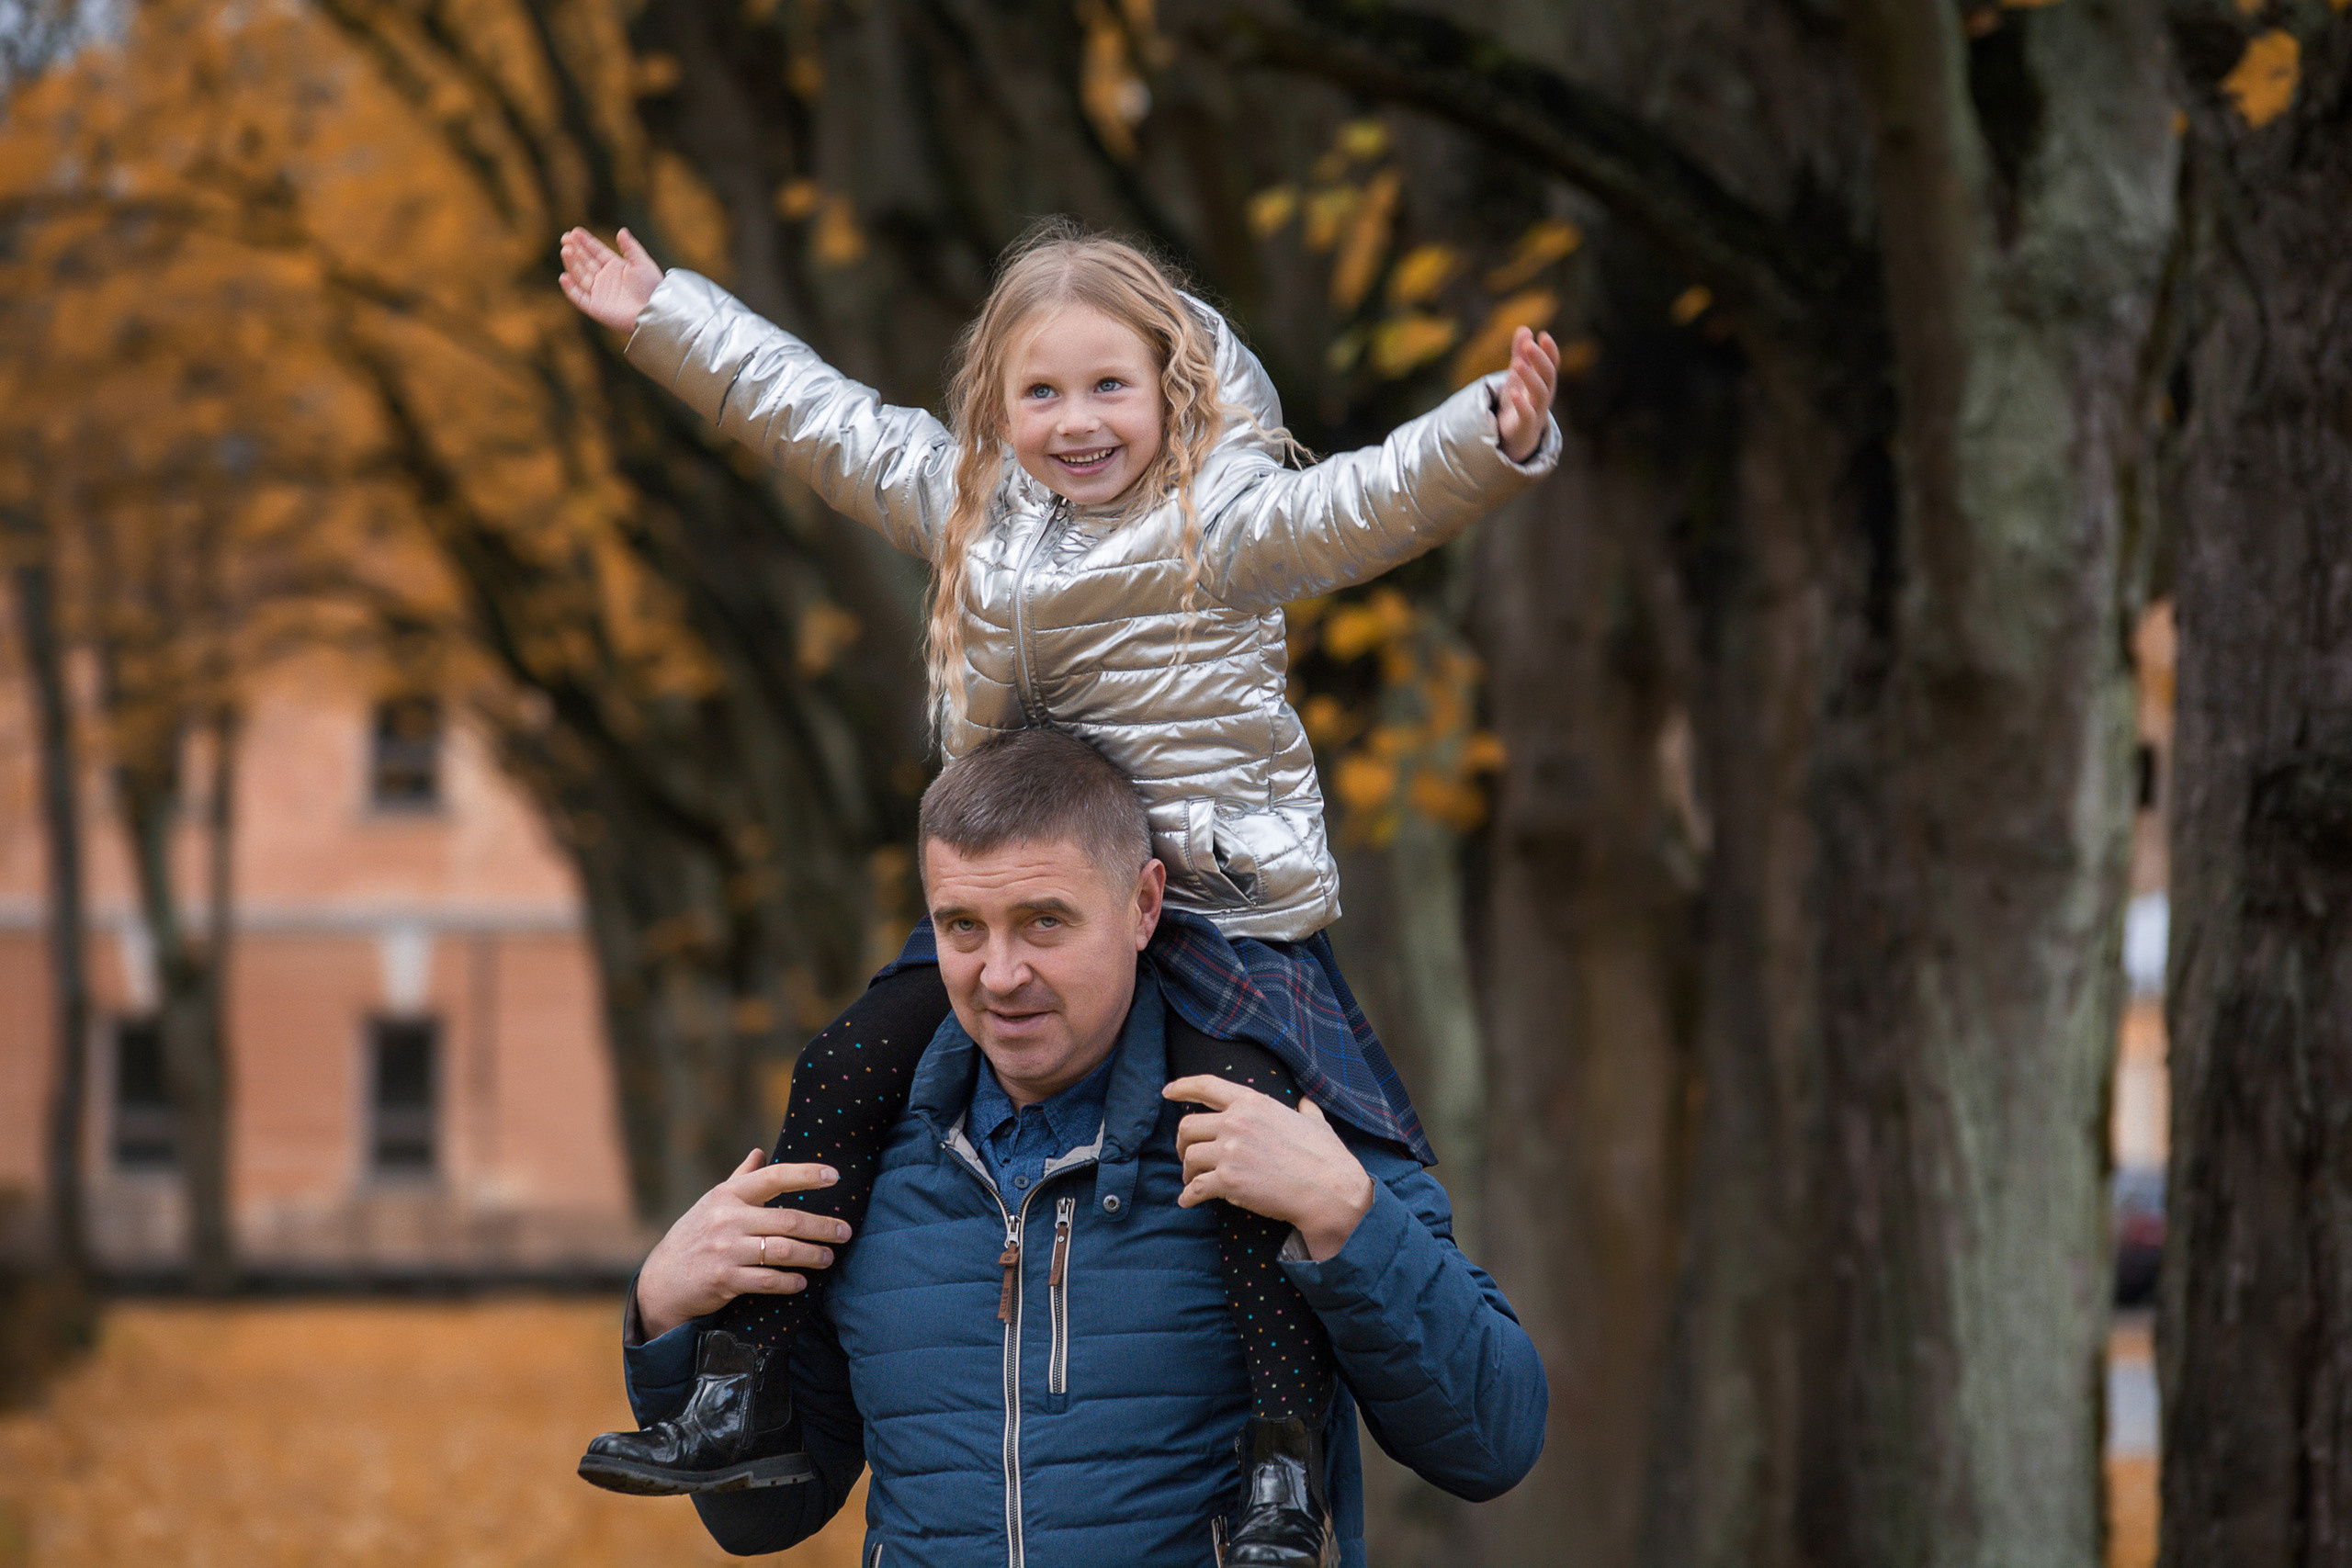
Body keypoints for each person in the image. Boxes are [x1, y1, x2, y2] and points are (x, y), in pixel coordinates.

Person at [558, 218, 1560, 1564]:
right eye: (1042, 391)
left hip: (1226, 903)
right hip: (1039, 811)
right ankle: (738, 1378)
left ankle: (1279, 1466)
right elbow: (821, 421)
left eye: (1110, 388)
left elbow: (1362, 505)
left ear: (1174, 393)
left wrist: (1485, 435)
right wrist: (662, 314)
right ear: (997, 404)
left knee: (1236, 1141)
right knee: (842, 1060)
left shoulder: (1221, 525)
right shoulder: (969, 508)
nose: (1078, 422)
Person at [616, 728, 1546, 1567]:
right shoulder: (866, 1165)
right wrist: (664, 1319)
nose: (1002, 975)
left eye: (1046, 922)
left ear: (1143, 906)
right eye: (962, 928)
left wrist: (1353, 1220)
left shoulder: (1284, 1143)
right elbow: (760, 1518)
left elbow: (1492, 1442)